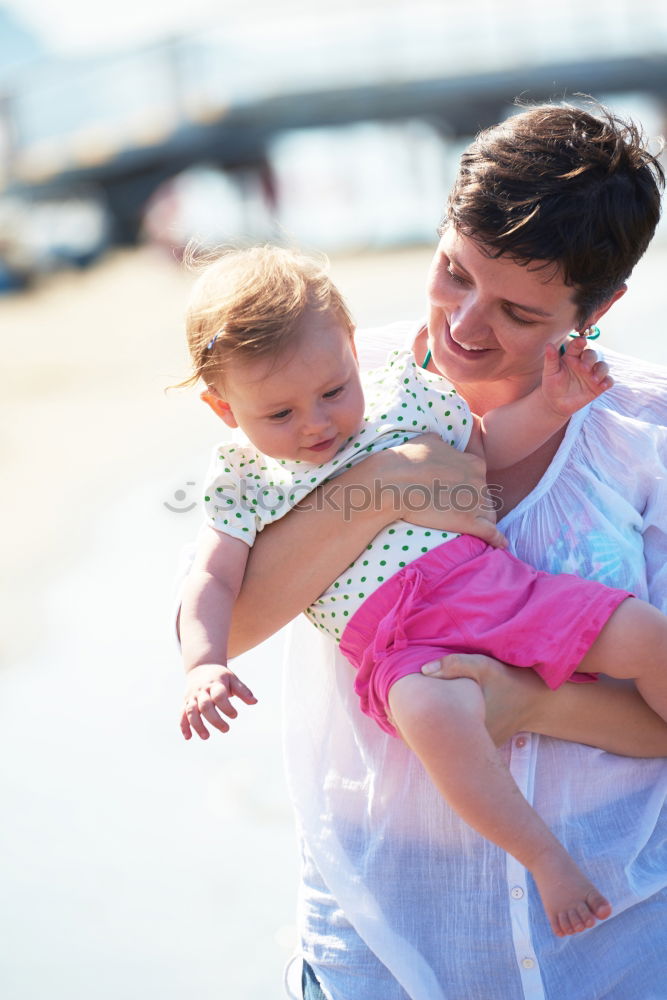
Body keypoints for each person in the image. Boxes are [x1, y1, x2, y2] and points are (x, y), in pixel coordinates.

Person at [176, 103, 667, 999]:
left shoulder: (647, 439)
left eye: (518, 310)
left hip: (617, 947)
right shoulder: (318, 385)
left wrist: (520, 706)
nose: (465, 326)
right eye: (452, 273)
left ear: (597, 308)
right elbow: (230, 615)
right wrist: (383, 486)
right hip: (383, 935)